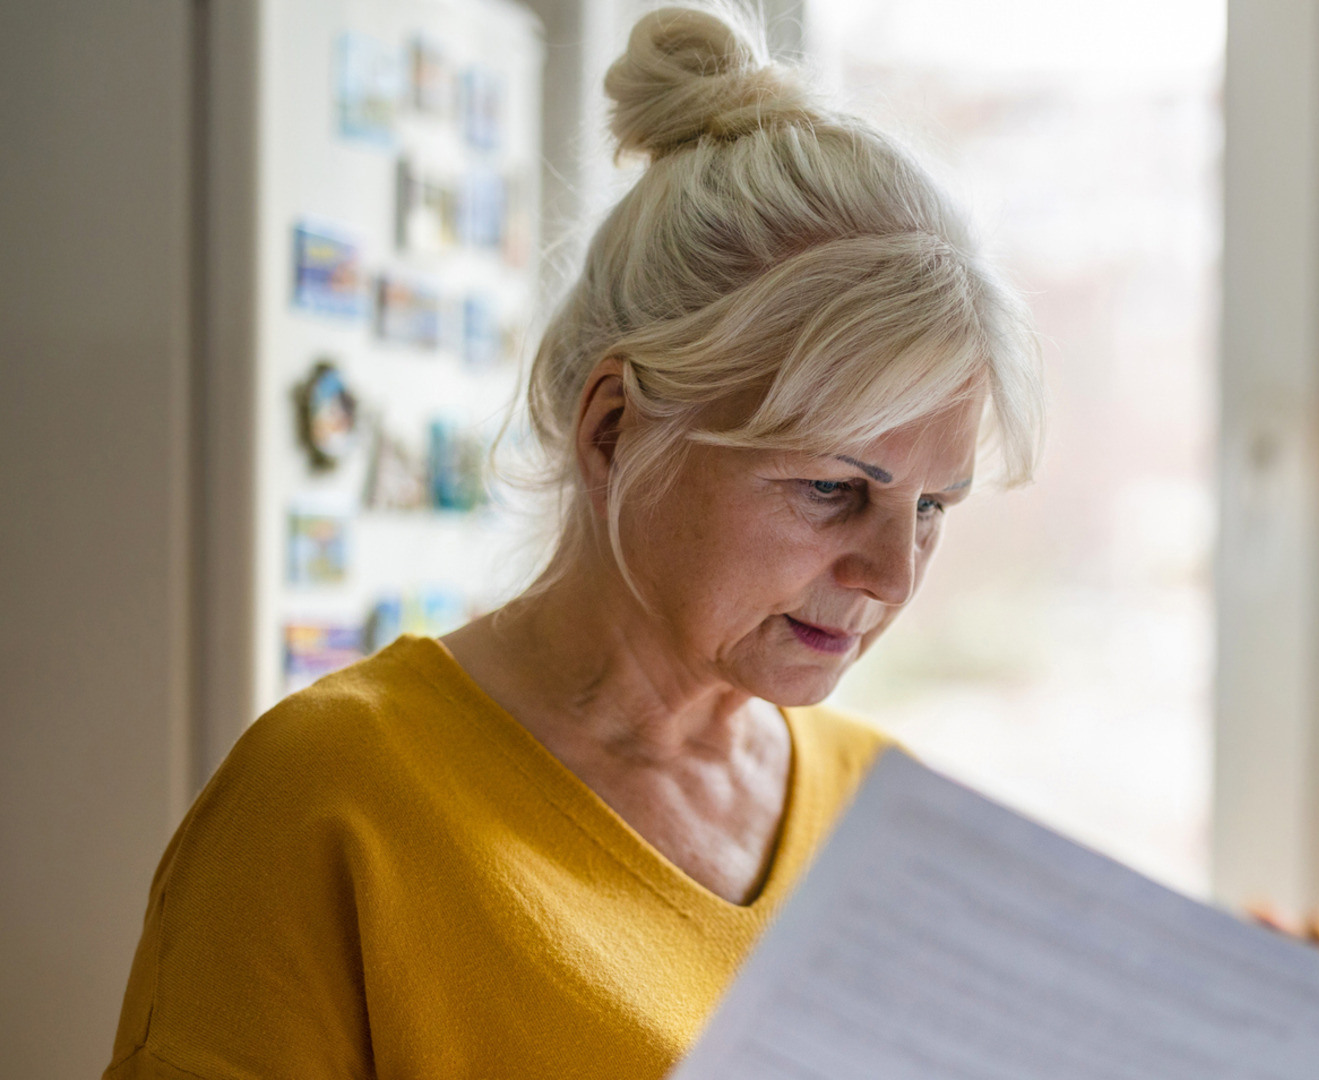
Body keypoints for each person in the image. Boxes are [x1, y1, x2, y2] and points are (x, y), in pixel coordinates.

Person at [103, 5, 1043, 1077]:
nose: (892, 575)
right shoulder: (331, 801)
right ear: (613, 432)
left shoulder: (890, 816)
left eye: (932, 508)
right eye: (833, 489)